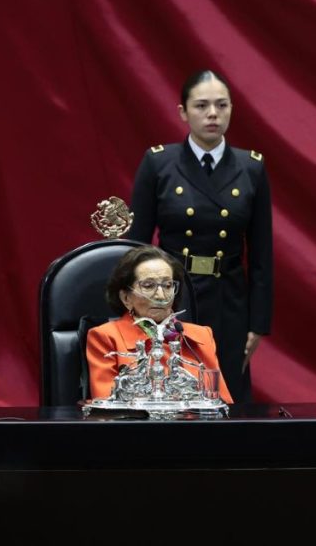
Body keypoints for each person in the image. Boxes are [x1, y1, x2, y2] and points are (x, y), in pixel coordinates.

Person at [128, 70, 272, 403]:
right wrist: (139, 310)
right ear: (183, 112)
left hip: (229, 300)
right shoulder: (159, 164)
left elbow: (262, 254)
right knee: (171, 394)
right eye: (202, 105)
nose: (212, 114)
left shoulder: (251, 167)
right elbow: (136, 247)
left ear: (232, 109)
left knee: (225, 397)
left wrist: (258, 323)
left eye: (221, 105)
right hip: (170, 298)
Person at [86, 246, 233, 403]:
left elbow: (221, 402)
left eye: (168, 285)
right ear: (126, 298)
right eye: (148, 286)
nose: (161, 296)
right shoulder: (105, 337)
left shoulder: (201, 335)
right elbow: (106, 403)